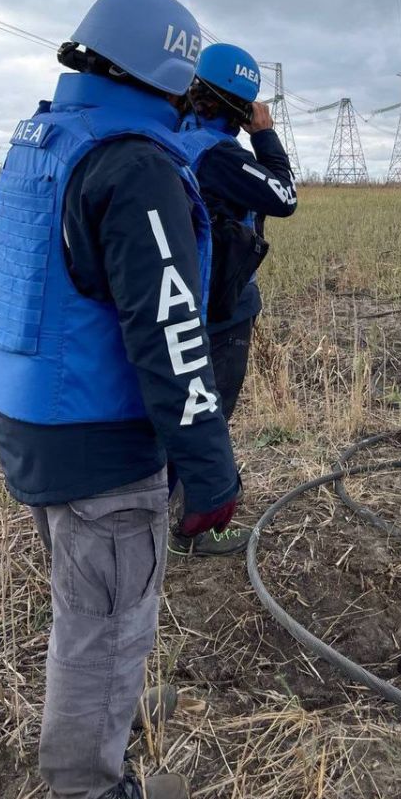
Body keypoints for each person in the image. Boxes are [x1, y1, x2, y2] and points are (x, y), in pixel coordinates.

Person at [0, 0, 240, 799]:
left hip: (29, 413)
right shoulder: (136, 165)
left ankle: (106, 713)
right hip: (97, 432)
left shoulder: (49, 136)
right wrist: (209, 469)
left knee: (88, 599)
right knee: (108, 616)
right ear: (169, 77)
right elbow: (170, 330)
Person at [171, 43, 297, 555]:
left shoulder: (170, 135)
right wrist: (264, 134)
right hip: (219, 308)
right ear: (242, 108)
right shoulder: (220, 155)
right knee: (209, 413)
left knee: (173, 407)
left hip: (170, 301)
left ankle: (155, 512)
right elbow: (284, 196)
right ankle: (197, 526)